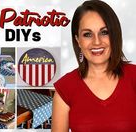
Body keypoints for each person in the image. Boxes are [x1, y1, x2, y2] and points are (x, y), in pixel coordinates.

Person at [51, 0, 136, 131]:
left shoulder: (134, 77)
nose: (97, 42)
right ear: (78, 40)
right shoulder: (65, 88)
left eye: (104, 32)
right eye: (87, 34)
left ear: (115, 35)